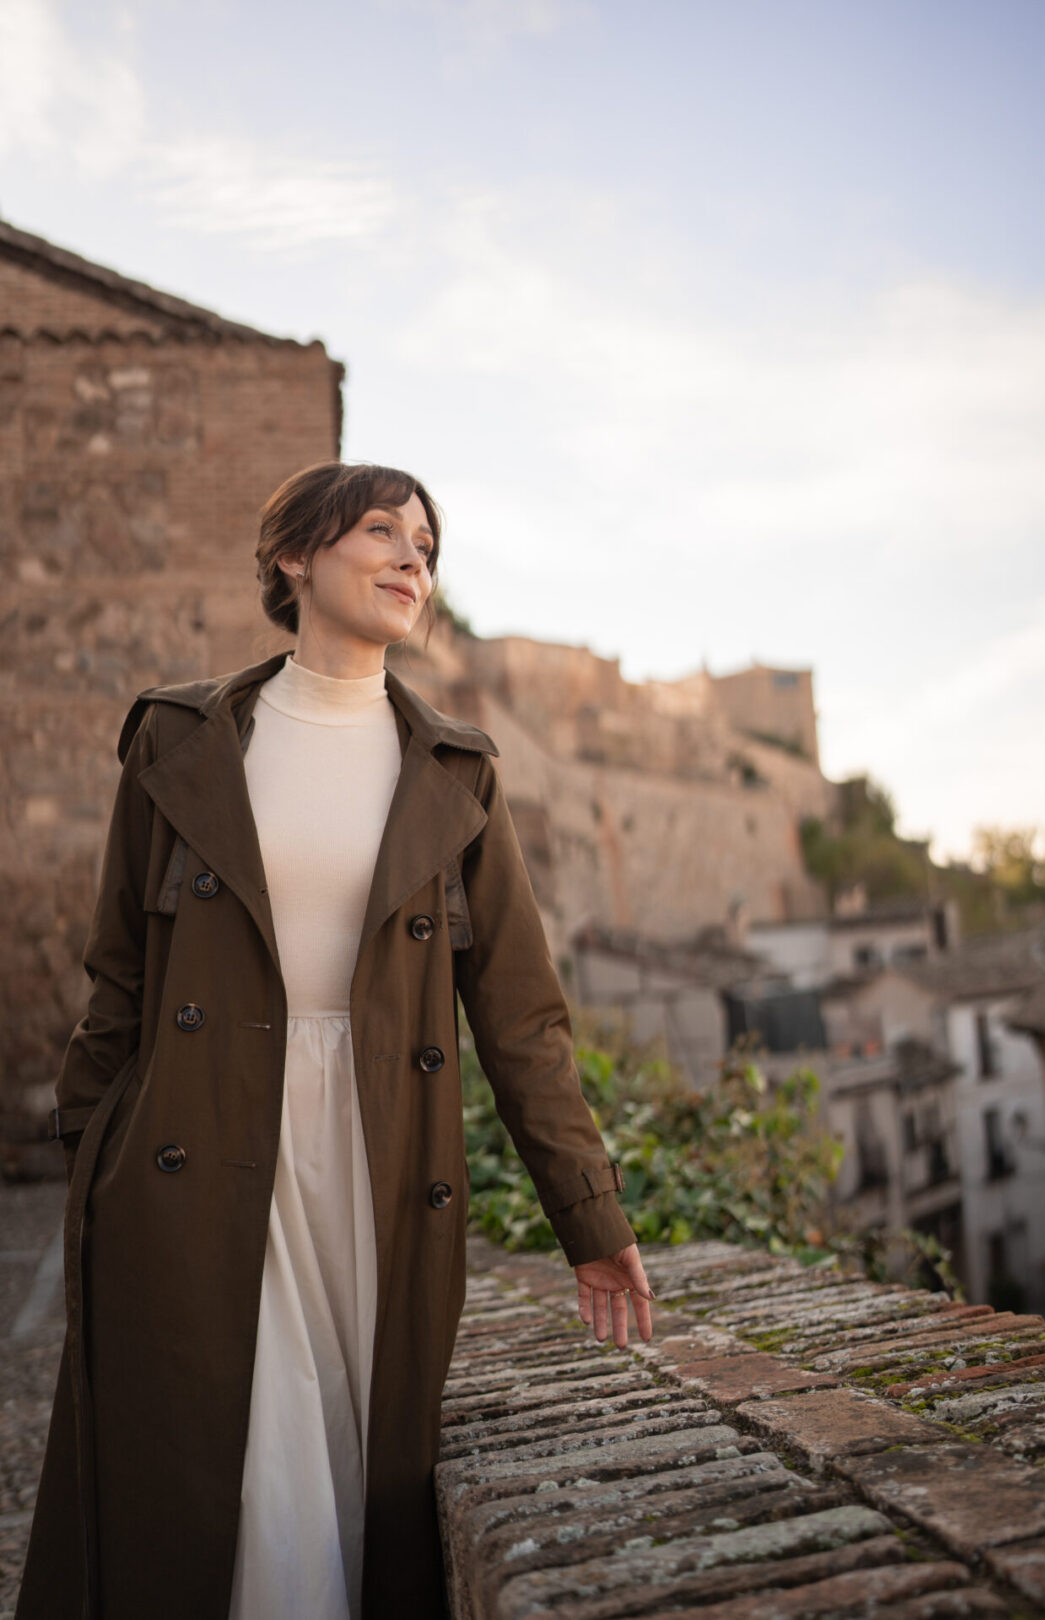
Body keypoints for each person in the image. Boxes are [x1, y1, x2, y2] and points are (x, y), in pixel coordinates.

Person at [17, 461, 653, 1620]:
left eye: (427, 544)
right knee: (240, 1477)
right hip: (197, 1143)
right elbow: (118, 981)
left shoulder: (457, 769)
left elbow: (521, 1020)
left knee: (355, 1479)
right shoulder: (178, 738)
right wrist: (95, 1167)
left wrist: (590, 1217)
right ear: (294, 556)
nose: (413, 559)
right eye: (381, 531)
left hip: (378, 1153)